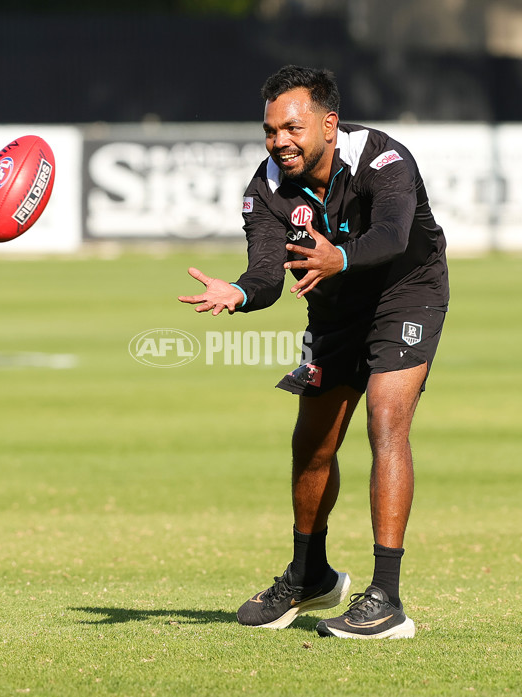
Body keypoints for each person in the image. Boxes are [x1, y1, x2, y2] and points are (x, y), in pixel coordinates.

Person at [178, 65, 449, 640]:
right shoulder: (267, 188)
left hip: (407, 295)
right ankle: (310, 575)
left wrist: (340, 258)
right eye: (271, 130)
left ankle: (387, 599)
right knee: (312, 444)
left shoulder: (384, 159)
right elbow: (266, 276)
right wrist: (240, 292)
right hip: (332, 310)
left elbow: (395, 235)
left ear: (328, 123)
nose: (280, 141)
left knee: (385, 420)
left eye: (292, 128)